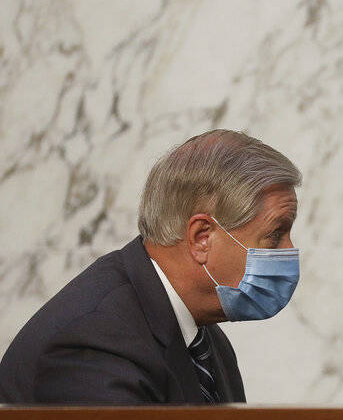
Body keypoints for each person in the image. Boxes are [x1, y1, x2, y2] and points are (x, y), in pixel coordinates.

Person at [0, 129, 302, 404]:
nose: (289, 251)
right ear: (201, 238)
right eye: (275, 234)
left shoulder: (205, 340)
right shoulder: (98, 339)